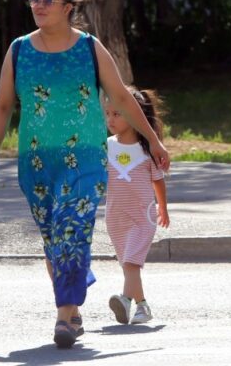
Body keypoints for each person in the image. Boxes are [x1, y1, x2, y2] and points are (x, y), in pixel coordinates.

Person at [0, 0, 170, 349]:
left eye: (47, 0)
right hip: (36, 160)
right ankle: (74, 299)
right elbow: (2, 108)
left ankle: (64, 315)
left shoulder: (90, 48)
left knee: (72, 228)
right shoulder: (19, 49)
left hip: (84, 156)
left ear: (68, 8)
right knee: (54, 238)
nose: (38, 5)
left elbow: (122, 97)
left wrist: (152, 140)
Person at [104, 88, 170, 325]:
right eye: (108, 114)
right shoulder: (107, 146)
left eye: (117, 114)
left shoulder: (148, 150)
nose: (110, 119)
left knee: (131, 262)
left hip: (142, 218)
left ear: (134, 115)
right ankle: (142, 306)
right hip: (115, 217)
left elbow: (158, 181)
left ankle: (124, 300)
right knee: (129, 267)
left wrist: (163, 208)